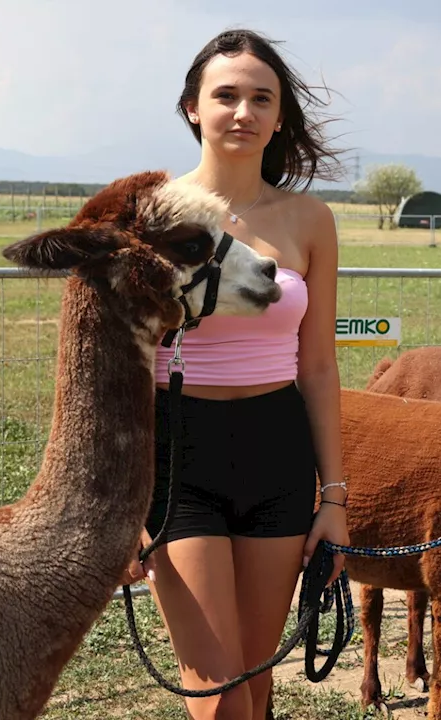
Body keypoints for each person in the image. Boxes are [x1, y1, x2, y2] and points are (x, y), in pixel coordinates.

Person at [121, 28, 349, 720]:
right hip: (176, 453)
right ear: (193, 106)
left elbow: (317, 363)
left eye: (261, 98)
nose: (243, 111)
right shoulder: (151, 215)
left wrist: (333, 497)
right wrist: (123, 496)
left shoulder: (310, 221)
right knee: (217, 695)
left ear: (281, 116)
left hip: (277, 450)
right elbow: (119, 365)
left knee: (253, 683)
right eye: (226, 95)